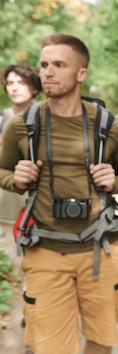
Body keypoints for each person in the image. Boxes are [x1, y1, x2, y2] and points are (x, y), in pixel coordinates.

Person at [0, 33, 118, 354]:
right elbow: (2, 171)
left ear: (81, 73)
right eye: (43, 65)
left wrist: (115, 182)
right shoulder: (22, 125)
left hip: (101, 251)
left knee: (100, 340)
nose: (48, 72)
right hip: (44, 252)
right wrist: (17, 179)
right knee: (50, 347)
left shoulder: (110, 126)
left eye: (58, 65)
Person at [0, 63, 42, 266]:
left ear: (34, 87)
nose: (14, 87)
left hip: (44, 212)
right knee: (16, 269)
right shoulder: (1, 120)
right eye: (9, 83)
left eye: (21, 82)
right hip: (7, 211)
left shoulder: (48, 118)